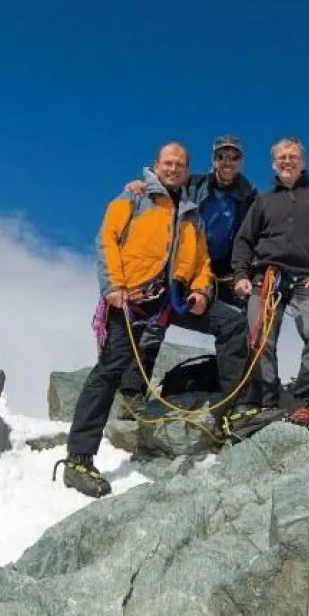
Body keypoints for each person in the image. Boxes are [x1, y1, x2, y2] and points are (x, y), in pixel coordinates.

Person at [56, 141, 212, 498]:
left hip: (169, 301)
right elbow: (107, 239)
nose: (173, 169)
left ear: (187, 171)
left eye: (180, 165)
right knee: (111, 367)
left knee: (224, 324)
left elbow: (201, 262)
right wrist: (112, 286)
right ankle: (78, 458)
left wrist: (202, 291)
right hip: (130, 298)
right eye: (168, 163)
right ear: (156, 166)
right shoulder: (133, 200)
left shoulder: (192, 216)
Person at [121, 134, 258, 430]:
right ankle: (130, 395)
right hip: (176, 271)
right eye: (222, 156)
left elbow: (259, 228)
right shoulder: (193, 184)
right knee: (153, 324)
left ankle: (240, 401)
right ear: (214, 160)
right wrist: (139, 186)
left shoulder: (249, 194)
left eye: (233, 156)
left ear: (240, 161)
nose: (227, 162)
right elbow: (164, 186)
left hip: (221, 274)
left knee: (242, 326)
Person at [231, 136, 309, 429]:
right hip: (267, 277)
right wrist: (240, 275)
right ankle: (267, 399)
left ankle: (305, 401)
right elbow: (244, 241)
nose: (287, 161)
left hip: (308, 279)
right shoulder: (263, 201)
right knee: (260, 337)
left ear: (302, 161)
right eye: (281, 157)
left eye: (293, 156)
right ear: (273, 164)